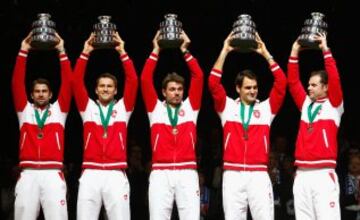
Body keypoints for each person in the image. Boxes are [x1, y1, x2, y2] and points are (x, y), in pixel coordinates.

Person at [208, 32, 287, 220]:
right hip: (233, 174)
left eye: (255, 87)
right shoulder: (227, 107)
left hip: (258, 174)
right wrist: (225, 50)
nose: (252, 91)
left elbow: (282, 84)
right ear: (238, 88)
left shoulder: (266, 109)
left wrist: (266, 54)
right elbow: (212, 83)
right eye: (248, 87)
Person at [72, 32, 138, 220]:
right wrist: (86, 52)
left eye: (110, 86)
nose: (106, 89)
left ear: (116, 90)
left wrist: (122, 52)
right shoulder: (88, 108)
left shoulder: (123, 109)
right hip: (90, 173)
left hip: (116, 173)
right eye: (102, 86)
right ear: (96, 89)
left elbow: (133, 81)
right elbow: (76, 82)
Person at [140, 30, 204, 220]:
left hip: (187, 172)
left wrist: (185, 51)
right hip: (161, 172)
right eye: (172, 89)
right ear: (163, 92)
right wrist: (156, 50)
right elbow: (144, 79)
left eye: (179, 89)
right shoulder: (155, 108)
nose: (176, 93)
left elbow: (198, 77)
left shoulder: (191, 107)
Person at [12, 32, 72, 220]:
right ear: (31, 95)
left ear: (51, 95)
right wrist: (23, 51)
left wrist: (62, 51)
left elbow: (69, 84)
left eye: (44, 91)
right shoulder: (24, 110)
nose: (40, 94)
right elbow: (16, 83)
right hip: (28, 173)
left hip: (53, 173)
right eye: (37, 91)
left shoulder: (59, 111)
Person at [287, 32, 344, 220]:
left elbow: (335, 79)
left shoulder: (334, 106)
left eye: (313, 85)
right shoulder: (305, 105)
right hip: (302, 175)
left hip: (322, 174)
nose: (308, 88)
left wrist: (325, 50)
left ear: (325, 87)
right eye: (308, 85)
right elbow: (293, 81)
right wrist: (294, 52)